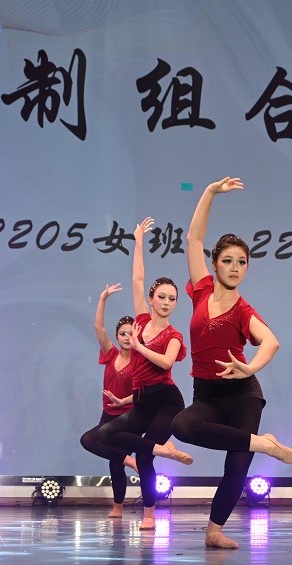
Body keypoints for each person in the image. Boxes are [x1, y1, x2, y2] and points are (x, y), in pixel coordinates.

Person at [171, 177, 292, 550]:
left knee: (238, 466)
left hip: (243, 393)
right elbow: (193, 239)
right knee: (182, 425)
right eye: (227, 261)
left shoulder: (244, 310)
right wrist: (210, 193)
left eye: (241, 262)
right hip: (207, 394)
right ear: (214, 264)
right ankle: (264, 443)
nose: (234, 267)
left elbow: (271, 341)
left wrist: (251, 367)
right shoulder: (201, 290)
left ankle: (213, 531)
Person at [99, 217, 193, 530]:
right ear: (151, 300)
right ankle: (163, 450)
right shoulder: (140, 321)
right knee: (108, 435)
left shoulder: (174, 335)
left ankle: (149, 513)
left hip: (166, 401)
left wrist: (139, 347)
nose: (166, 302)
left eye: (172, 299)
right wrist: (139, 240)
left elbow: (166, 363)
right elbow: (138, 279)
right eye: (161, 297)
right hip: (141, 400)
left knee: (145, 458)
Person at [78, 285, 138, 518]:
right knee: (88, 440)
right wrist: (102, 298)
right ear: (117, 336)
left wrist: (123, 400)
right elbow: (98, 327)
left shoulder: (141, 360)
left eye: (131, 333)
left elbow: (144, 392)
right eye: (123, 333)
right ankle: (129, 462)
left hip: (129, 419)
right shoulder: (110, 354)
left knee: (115, 463)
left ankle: (118, 506)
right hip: (108, 416)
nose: (127, 337)